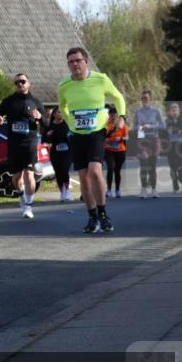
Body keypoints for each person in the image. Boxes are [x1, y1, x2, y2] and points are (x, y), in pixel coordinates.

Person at [57, 47, 126, 233]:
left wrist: (122, 117)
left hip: (96, 132)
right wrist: (70, 120)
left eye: (78, 60)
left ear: (86, 61)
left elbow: (118, 97)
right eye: (71, 62)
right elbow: (62, 106)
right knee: (83, 178)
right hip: (76, 134)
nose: (74, 64)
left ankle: (103, 214)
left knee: (95, 171)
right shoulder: (64, 85)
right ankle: (92, 216)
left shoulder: (100, 79)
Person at [0, 73, 46, 218]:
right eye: (17, 83)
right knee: (16, 178)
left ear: (29, 83)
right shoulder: (8, 101)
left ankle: (28, 207)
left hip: (30, 142)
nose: (20, 84)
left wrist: (40, 118)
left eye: (23, 81)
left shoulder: (35, 102)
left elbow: (46, 123)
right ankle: (21, 194)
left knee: (29, 174)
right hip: (14, 143)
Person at [134, 89, 166, 198]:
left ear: (150, 99)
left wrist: (151, 126)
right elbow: (134, 127)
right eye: (142, 98)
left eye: (146, 98)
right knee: (143, 166)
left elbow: (163, 126)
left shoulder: (156, 111)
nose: (144, 100)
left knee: (152, 167)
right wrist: (139, 127)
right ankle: (143, 190)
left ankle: (154, 190)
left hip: (154, 140)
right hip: (142, 141)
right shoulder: (138, 112)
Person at [43, 107, 73, 202]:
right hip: (55, 152)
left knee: (64, 170)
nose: (61, 114)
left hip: (67, 152)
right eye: (59, 112)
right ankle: (62, 193)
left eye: (62, 113)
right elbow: (44, 140)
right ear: (54, 114)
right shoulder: (50, 126)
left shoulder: (67, 125)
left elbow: (72, 137)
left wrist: (69, 136)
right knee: (58, 173)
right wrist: (48, 136)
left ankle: (67, 191)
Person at [104, 106, 128, 198]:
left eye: (115, 115)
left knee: (117, 171)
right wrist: (106, 140)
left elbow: (127, 137)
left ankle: (117, 190)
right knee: (110, 167)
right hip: (109, 149)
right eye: (111, 115)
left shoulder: (122, 125)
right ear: (109, 115)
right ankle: (109, 190)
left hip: (120, 150)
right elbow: (102, 137)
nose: (113, 117)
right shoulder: (106, 125)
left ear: (117, 116)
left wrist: (121, 138)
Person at [165, 102, 182, 192]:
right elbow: (162, 133)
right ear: (169, 111)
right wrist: (168, 131)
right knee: (172, 166)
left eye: (176, 108)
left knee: (180, 165)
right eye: (172, 108)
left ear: (179, 110)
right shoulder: (166, 121)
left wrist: (181, 132)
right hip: (170, 146)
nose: (174, 110)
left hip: (181, 146)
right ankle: (175, 184)